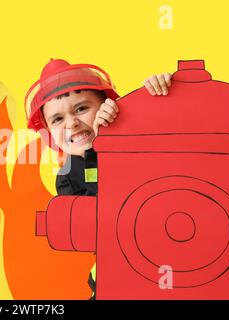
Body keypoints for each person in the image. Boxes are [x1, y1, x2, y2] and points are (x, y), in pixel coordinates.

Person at [24, 58, 171, 299]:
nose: (72, 123)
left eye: (82, 108)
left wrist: (159, 94)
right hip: (116, 282)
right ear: (48, 132)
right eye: (57, 119)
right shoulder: (67, 178)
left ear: (108, 105)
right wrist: (96, 149)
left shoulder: (139, 142)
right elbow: (102, 222)